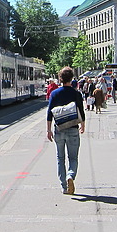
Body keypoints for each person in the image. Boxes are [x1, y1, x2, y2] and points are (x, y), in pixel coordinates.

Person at [46, 66, 85, 195]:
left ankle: (64, 186)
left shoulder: (54, 93)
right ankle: (71, 175)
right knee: (73, 158)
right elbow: (81, 111)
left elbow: (49, 113)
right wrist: (83, 125)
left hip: (59, 129)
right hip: (73, 129)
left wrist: (48, 130)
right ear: (72, 78)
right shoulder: (76, 93)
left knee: (60, 158)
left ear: (60, 78)